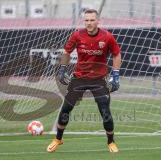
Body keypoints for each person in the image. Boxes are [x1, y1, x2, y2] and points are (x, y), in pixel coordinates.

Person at [46, 9, 121, 153]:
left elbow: (117, 55)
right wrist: (62, 69)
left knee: (105, 110)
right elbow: (66, 52)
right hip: (79, 77)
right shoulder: (77, 35)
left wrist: (115, 75)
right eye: (86, 20)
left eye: (92, 20)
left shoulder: (107, 37)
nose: (89, 23)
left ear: (98, 21)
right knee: (66, 109)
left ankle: (111, 142)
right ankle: (58, 139)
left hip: (99, 79)